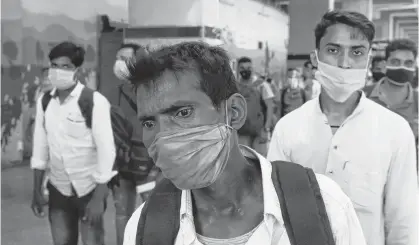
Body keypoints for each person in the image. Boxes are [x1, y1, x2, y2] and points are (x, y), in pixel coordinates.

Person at [122, 41, 366, 245]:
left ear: (234, 112)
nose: (163, 137)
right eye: (149, 123)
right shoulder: (145, 228)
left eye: (183, 113)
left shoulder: (323, 206)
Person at [268, 11, 418, 245]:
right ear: (315, 58)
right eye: (333, 50)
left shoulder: (394, 131)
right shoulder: (288, 128)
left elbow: (403, 222)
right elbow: (274, 212)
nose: (345, 63)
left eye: (356, 52)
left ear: (368, 59)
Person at [30, 42, 116, 245]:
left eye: (65, 66)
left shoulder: (94, 101)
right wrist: (36, 191)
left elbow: (106, 149)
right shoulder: (45, 101)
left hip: (89, 189)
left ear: (77, 70)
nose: (58, 71)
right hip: (58, 189)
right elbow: (40, 147)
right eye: (54, 65)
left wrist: (98, 198)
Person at [111, 43, 159, 245]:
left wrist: (158, 165)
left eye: (125, 58)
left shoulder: (153, 91)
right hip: (122, 162)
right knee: (122, 212)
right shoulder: (114, 91)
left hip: (148, 162)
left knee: (152, 212)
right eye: (118, 57)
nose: (120, 63)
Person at [364, 39, 418, 158]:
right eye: (395, 62)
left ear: (414, 66)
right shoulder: (363, 95)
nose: (402, 67)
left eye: (408, 63)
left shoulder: (417, 101)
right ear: (385, 64)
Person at [236, 57, 275, 156]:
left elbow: (270, 107)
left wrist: (266, 128)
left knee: (261, 163)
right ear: (238, 69)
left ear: (252, 68)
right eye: (242, 68)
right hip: (242, 132)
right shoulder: (234, 86)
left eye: (248, 67)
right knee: (243, 161)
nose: (245, 70)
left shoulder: (262, 85)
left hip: (259, 132)